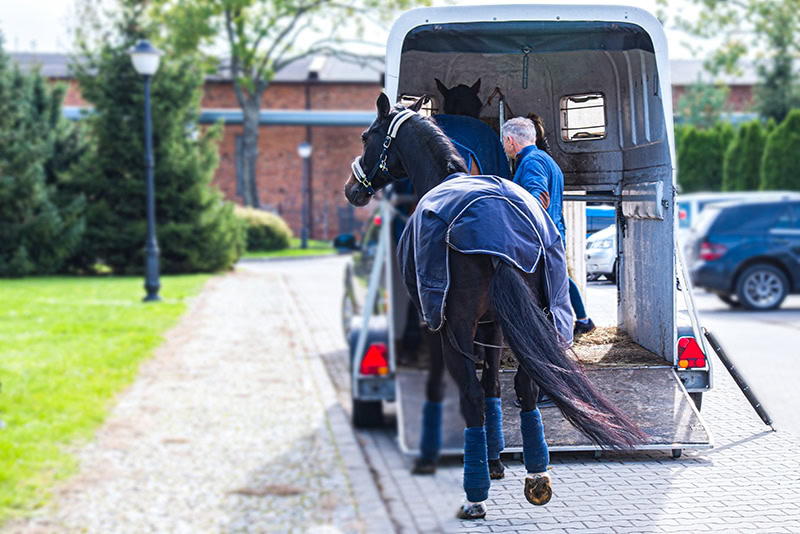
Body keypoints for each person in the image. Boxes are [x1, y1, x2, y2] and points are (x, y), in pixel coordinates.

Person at [501, 116, 596, 337]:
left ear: (510, 140)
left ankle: (559, 337)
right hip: (553, 232)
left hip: (540, 238)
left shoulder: (531, 162)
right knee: (559, 283)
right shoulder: (545, 159)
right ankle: (578, 323)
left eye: (504, 142)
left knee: (553, 289)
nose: (504, 147)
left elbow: (537, 195)